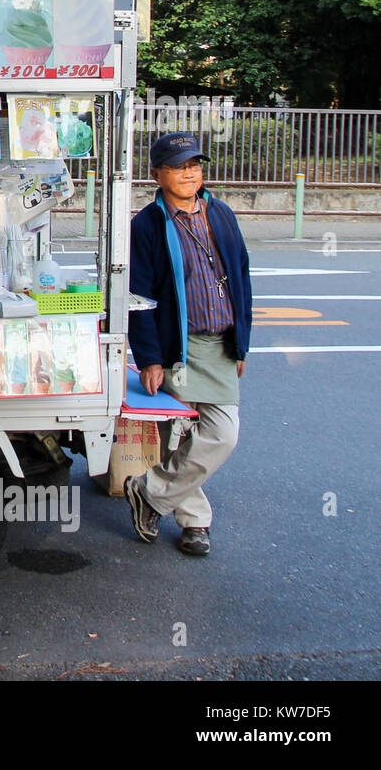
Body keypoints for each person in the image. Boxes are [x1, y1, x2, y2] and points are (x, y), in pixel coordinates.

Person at [125, 131, 252, 556]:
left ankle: (150, 492)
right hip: (178, 344)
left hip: (220, 344)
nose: (190, 173)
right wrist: (149, 357)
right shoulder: (146, 224)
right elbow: (137, 296)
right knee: (180, 436)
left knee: (222, 434)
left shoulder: (221, 214)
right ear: (157, 173)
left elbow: (241, 279)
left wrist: (242, 344)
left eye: (195, 165)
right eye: (179, 166)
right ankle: (195, 521)